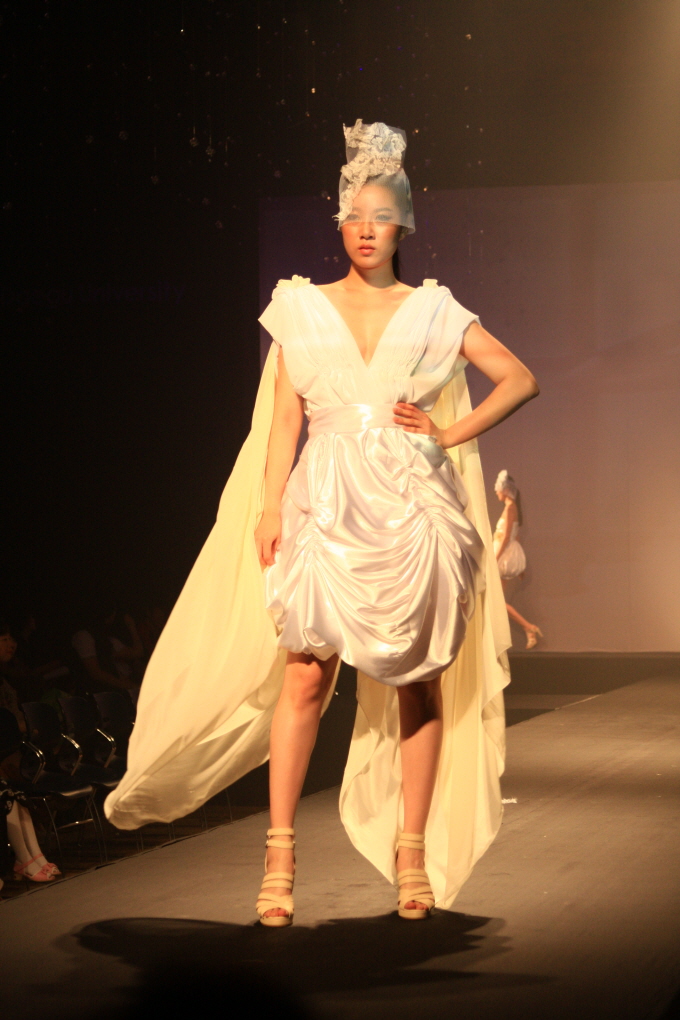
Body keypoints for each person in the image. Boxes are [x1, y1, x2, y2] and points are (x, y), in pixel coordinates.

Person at [105, 120, 539, 927]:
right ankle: (279, 858)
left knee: (417, 679)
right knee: (305, 674)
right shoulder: (299, 308)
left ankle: (412, 855)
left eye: (383, 216)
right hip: (325, 504)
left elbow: (518, 378)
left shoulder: (433, 309)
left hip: (411, 506)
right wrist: (270, 506)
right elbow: (282, 421)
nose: (367, 229)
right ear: (340, 223)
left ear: (403, 225)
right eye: (355, 216)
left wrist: (447, 433)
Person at [493, 470, 543, 649]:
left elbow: (507, 537)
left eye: (498, 488)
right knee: (496, 600)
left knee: (496, 600)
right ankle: (528, 628)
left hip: (503, 556)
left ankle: (528, 627)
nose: (496, 492)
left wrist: (495, 560)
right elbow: (515, 535)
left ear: (505, 489)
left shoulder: (510, 508)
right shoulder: (510, 507)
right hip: (504, 554)